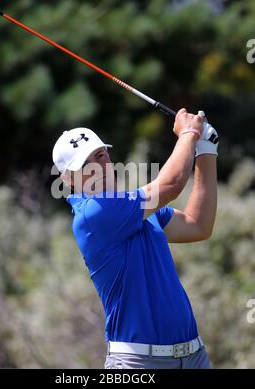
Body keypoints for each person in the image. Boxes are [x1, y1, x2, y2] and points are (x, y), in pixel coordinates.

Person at [52, 108, 218, 369]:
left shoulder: (138, 210)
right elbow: (171, 184)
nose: (99, 166)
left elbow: (198, 225)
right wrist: (189, 133)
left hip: (194, 357)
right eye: (86, 164)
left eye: (100, 155)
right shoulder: (93, 215)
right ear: (68, 179)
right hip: (138, 362)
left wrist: (206, 151)